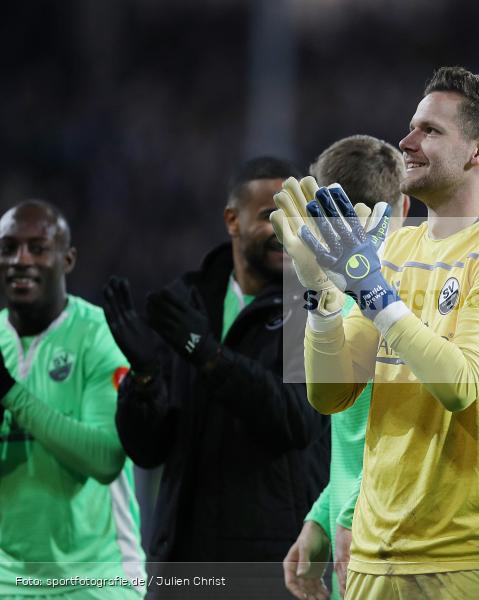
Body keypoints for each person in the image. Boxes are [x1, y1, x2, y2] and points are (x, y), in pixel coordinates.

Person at [273, 66, 479, 599]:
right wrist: (321, 296)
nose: (406, 142)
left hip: (467, 558)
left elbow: (460, 382)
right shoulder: (395, 251)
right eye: (411, 127)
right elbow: (331, 394)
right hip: (371, 561)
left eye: (430, 130)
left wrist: (373, 291)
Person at [103, 157, 329, 590]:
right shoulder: (185, 304)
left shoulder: (320, 307)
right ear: (232, 220)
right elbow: (147, 450)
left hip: (272, 571)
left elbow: (297, 419)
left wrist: (205, 353)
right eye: (270, 216)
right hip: (182, 567)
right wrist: (144, 380)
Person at [281, 135, 410, 600]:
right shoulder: (337, 294)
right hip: (350, 531)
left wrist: (352, 513)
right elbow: (357, 438)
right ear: (404, 207)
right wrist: (321, 515)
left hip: (380, 539)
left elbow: (402, 435)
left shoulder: (394, 300)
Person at [0, 201, 145, 599]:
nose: (20, 260)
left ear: (67, 259)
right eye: (8, 248)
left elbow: (104, 459)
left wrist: (9, 392)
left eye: (37, 248)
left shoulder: (99, 336)